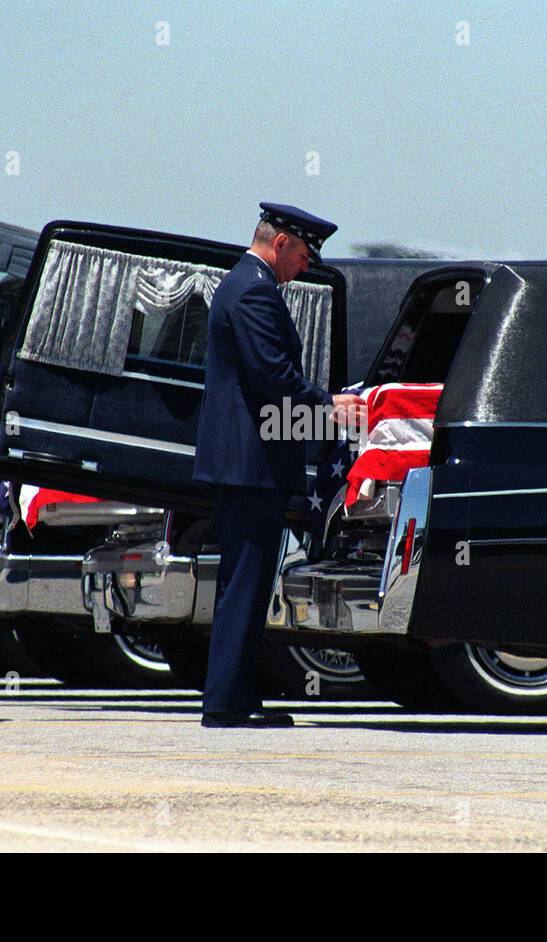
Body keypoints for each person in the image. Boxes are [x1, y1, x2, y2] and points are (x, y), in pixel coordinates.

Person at [192, 203, 365, 728]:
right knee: (245, 581)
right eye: (305, 255)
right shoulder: (253, 289)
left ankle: (236, 697)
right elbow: (272, 373)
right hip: (250, 463)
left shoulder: (248, 284)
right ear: (283, 242)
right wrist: (328, 405)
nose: (306, 267)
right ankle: (225, 702)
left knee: (246, 580)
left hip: (250, 463)